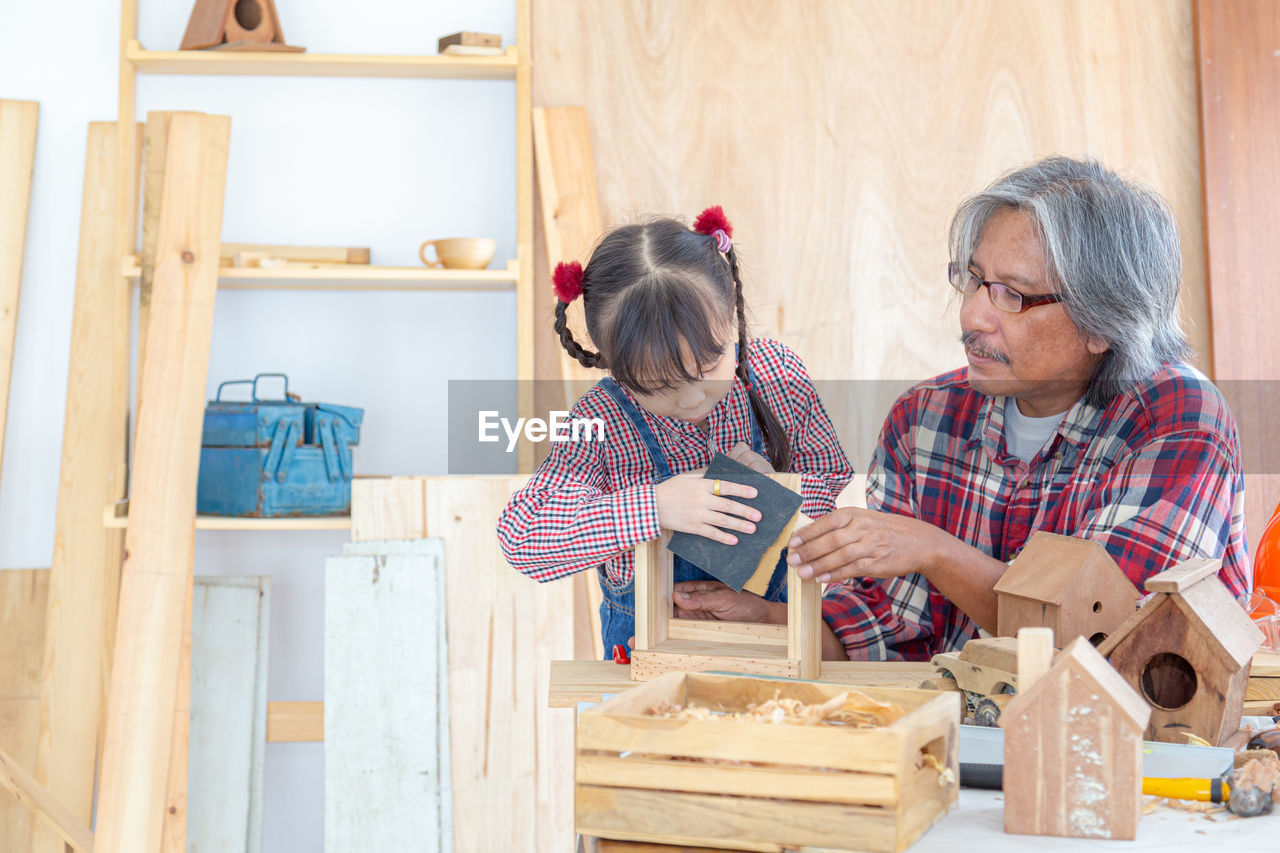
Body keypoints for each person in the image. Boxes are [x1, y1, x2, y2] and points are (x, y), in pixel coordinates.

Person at [674, 157, 1250, 661]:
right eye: (973, 280)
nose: (973, 316)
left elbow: (1108, 639)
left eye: (1012, 295)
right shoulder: (925, 417)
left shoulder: (1179, 418)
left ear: (1104, 321)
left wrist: (934, 550)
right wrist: (774, 624)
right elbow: (895, 634)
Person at [496, 207, 854, 658]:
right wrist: (655, 506)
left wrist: (781, 494)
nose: (690, 399)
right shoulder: (601, 420)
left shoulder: (776, 373)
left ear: (732, 317)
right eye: (658, 385)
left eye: (709, 368)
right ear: (616, 367)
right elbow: (524, 538)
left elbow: (828, 480)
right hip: (647, 672)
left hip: (772, 647)